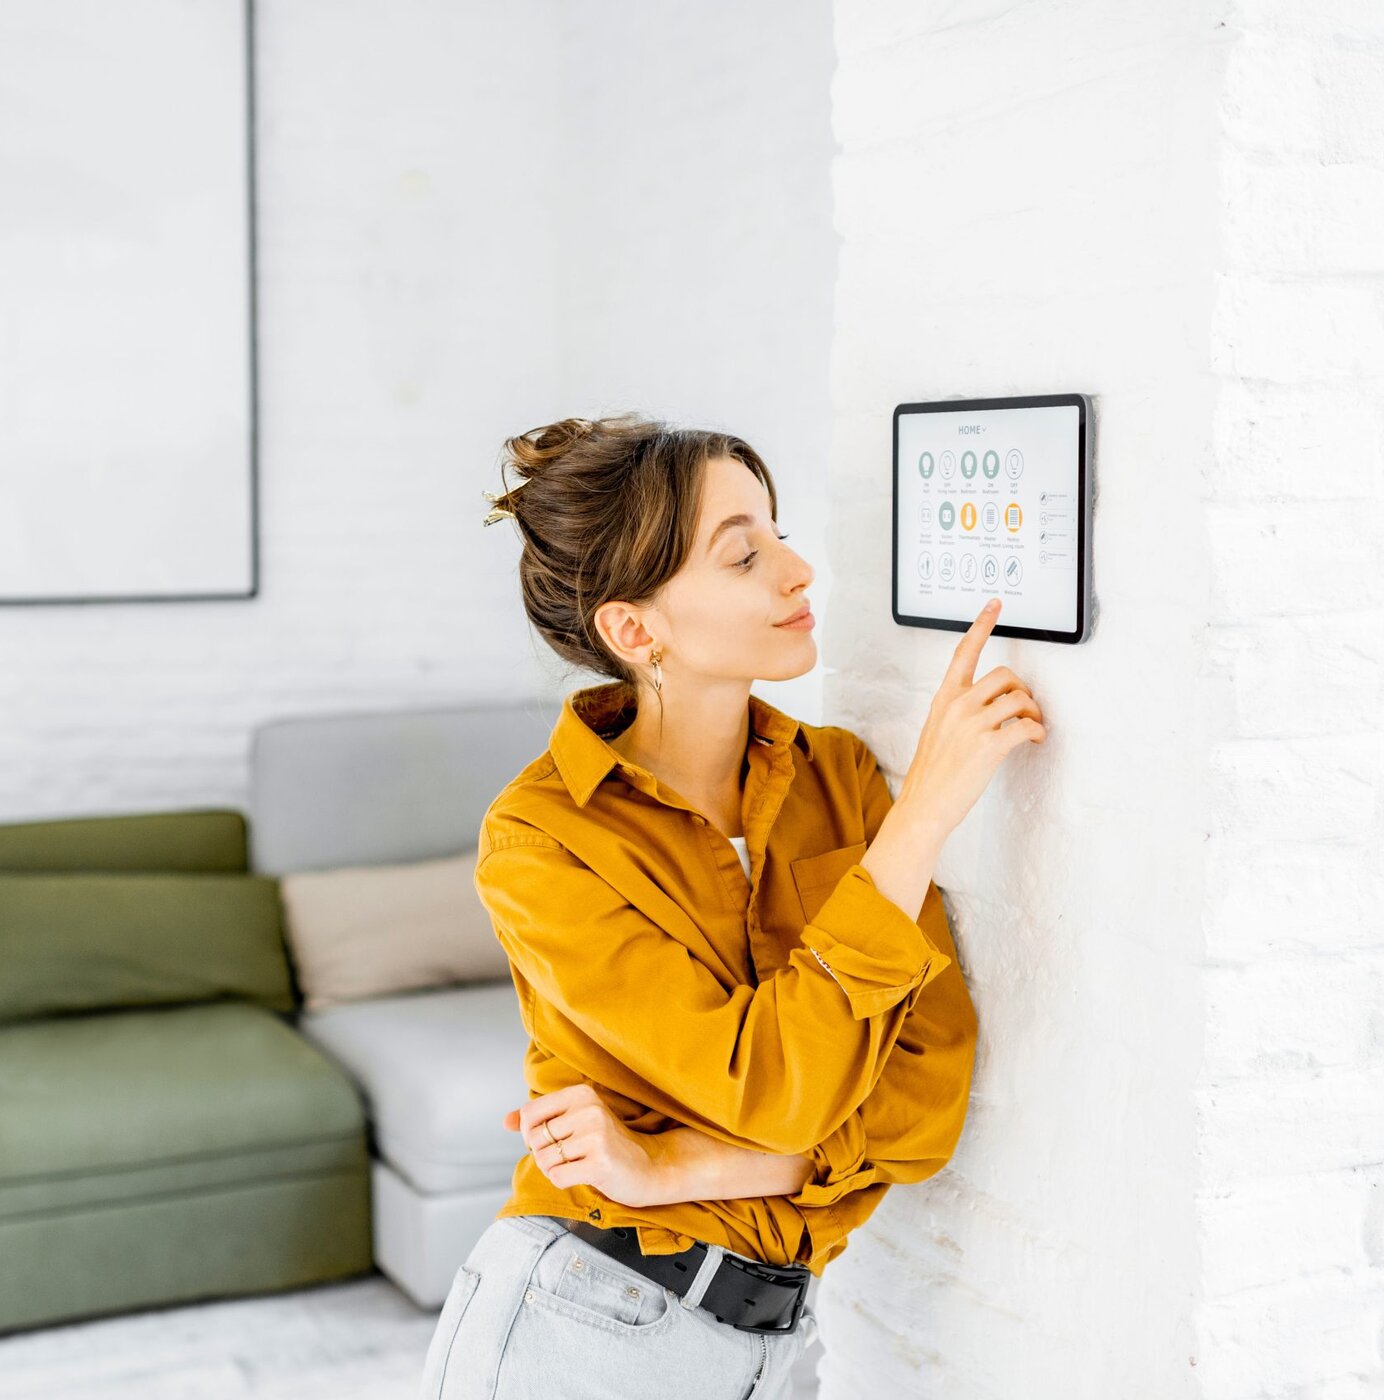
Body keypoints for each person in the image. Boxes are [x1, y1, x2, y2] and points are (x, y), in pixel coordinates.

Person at [421, 415, 1044, 1399]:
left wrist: (673, 1168)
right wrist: (926, 810)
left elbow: (924, 1107)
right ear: (636, 629)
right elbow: (784, 1086)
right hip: (580, 1322)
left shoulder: (838, 779)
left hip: (771, 1342)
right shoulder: (542, 843)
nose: (798, 570)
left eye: (779, 533)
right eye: (744, 552)